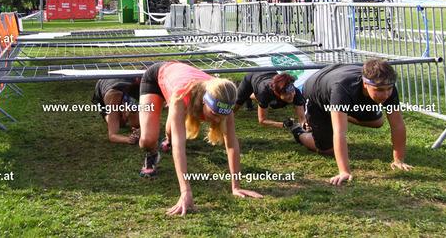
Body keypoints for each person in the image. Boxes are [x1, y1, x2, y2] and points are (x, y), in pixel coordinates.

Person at [138, 61, 262, 215]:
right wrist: (185, 191)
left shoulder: (224, 100)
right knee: (147, 141)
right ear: (204, 101)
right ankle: (152, 154)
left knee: (172, 130)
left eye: (222, 116)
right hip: (156, 77)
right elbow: (179, 146)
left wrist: (236, 186)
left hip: (179, 83)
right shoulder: (181, 97)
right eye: (214, 114)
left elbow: (231, 144)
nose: (217, 120)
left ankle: (167, 139)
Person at [291, 59, 413, 185]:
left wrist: (398, 159)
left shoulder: (387, 84)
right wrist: (344, 171)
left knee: (378, 122)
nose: (386, 95)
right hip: (317, 94)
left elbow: (397, 123)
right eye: (379, 90)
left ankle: (339, 114)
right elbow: (340, 132)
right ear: (365, 83)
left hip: (339, 83)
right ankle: (299, 132)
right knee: (326, 149)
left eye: (389, 89)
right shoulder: (342, 88)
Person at [233, 72, 306, 128]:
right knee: (233, 109)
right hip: (252, 77)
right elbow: (262, 121)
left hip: (268, 78)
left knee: (274, 104)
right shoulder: (264, 92)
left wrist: (305, 127)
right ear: (276, 93)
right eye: (287, 94)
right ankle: (238, 90)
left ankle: (247, 96)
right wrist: (283, 124)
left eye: (293, 92)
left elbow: (302, 120)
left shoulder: (296, 92)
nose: (292, 96)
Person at [92, 78, 141, 144]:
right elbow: (112, 135)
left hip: (128, 81)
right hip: (107, 85)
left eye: (133, 111)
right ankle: (104, 112)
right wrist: (128, 139)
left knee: (135, 123)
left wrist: (141, 130)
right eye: (126, 108)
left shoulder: (144, 99)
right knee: (121, 124)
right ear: (122, 102)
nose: (127, 114)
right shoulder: (114, 98)